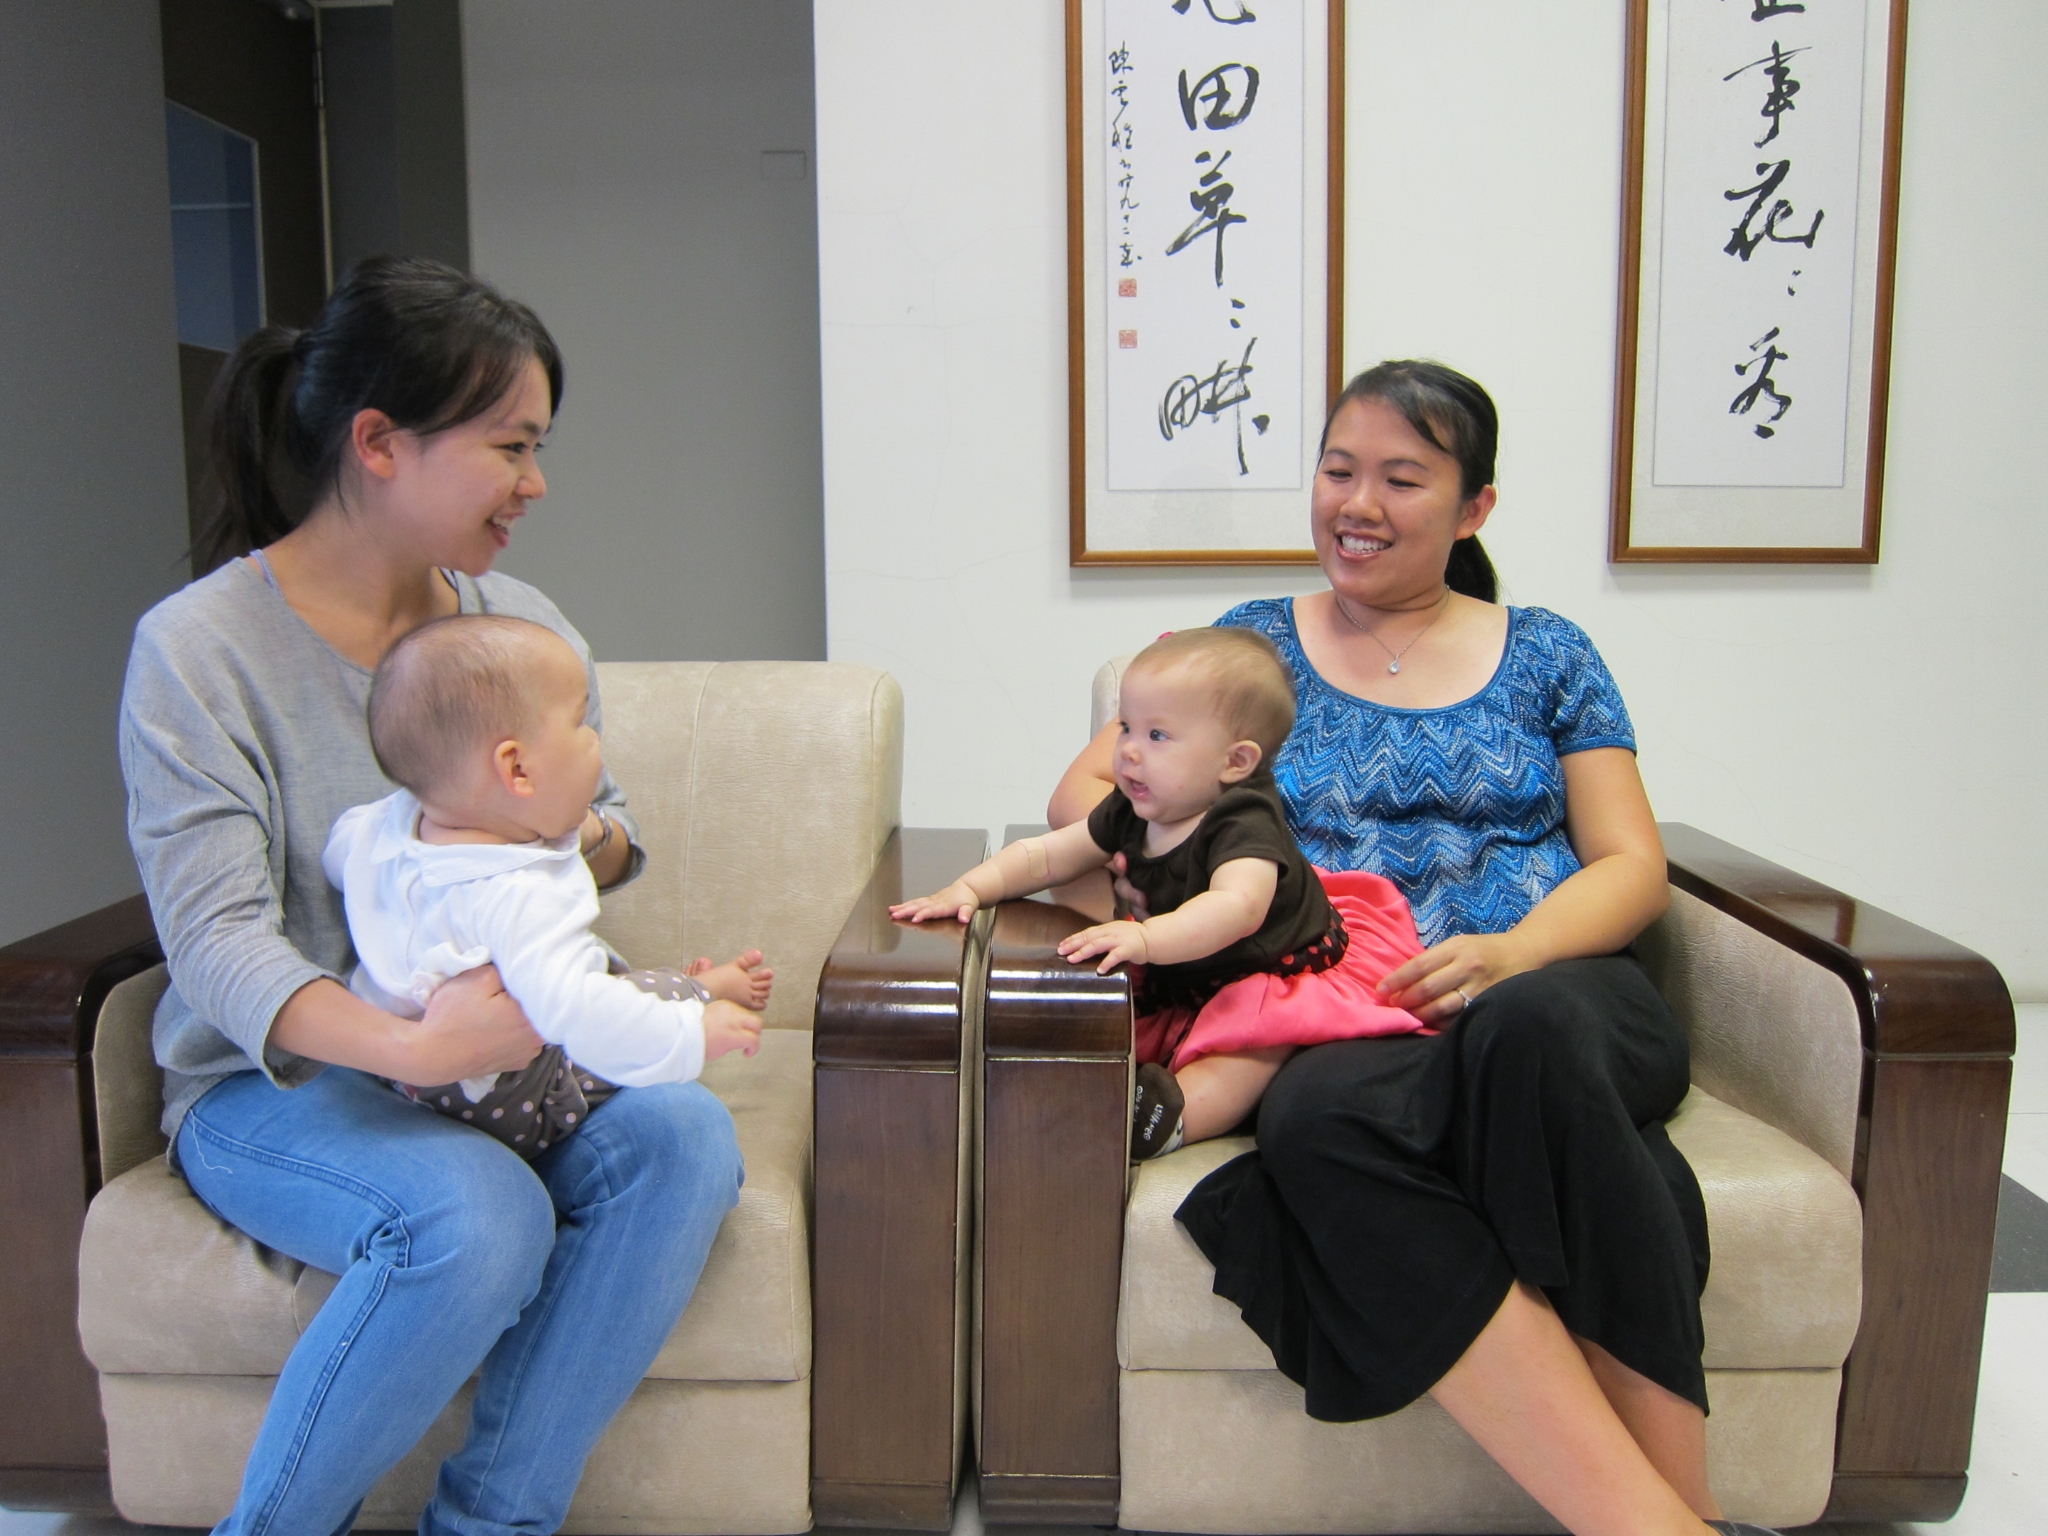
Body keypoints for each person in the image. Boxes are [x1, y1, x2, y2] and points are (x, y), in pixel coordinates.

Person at [1047, 361, 1773, 1536]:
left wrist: (1513, 953)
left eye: (1400, 478)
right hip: (1355, 1009)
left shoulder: (1547, 653)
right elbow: (1086, 796)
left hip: (1560, 989)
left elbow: (1629, 864)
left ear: (1473, 506)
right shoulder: (1247, 649)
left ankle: (1674, 1508)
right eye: (1337, 470)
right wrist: (1183, 868)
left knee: (1529, 1036)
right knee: (1313, 1119)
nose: (1357, 503)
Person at [119, 256, 747, 1536]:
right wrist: (415, 1043)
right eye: (511, 446)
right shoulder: (199, 650)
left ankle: (490, 1526)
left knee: (683, 1140)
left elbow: (611, 828)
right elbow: (217, 942)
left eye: (538, 447)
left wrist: (549, 851)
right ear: (378, 443)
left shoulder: (516, 621)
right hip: (279, 1084)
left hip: (499, 1064)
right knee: (479, 1214)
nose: (536, 483)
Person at [895, 626, 1429, 1160]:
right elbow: (1049, 856)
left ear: (1235, 763)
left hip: (1275, 971)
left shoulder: (1244, 820)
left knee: (1250, 1049)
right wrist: (971, 887)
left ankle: (1168, 1120)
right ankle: (1076, 1088)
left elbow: (1238, 908)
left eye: (1157, 736)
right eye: (1126, 727)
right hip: (1191, 967)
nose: (1128, 751)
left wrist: (1148, 940)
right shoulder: (1136, 806)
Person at [324, 613, 773, 1157]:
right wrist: (692, 1036)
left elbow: (337, 858)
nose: (595, 739)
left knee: (588, 985)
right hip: (513, 1095)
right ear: (517, 769)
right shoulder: (522, 892)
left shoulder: (377, 829)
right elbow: (579, 1015)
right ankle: (699, 991)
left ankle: (691, 988)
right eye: (581, 723)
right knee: (615, 1001)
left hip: (400, 1087)